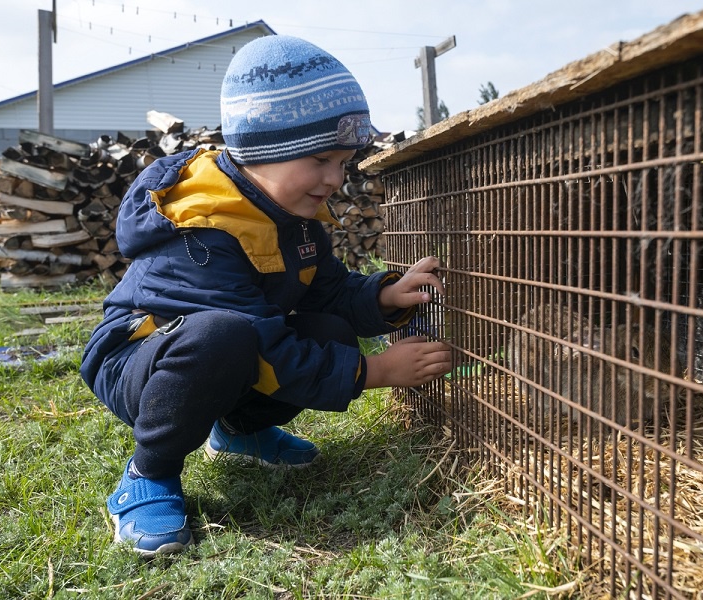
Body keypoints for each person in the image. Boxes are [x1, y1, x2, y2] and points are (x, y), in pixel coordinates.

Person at [80, 34, 453, 558]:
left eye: (344, 162)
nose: (336, 178)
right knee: (221, 335)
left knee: (329, 331)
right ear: (262, 150)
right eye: (321, 159)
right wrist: (376, 372)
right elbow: (262, 343)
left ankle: (238, 431)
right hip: (137, 360)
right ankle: (149, 473)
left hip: (225, 350)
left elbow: (330, 294)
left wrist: (386, 295)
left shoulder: (293, 221)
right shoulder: (204, 231)